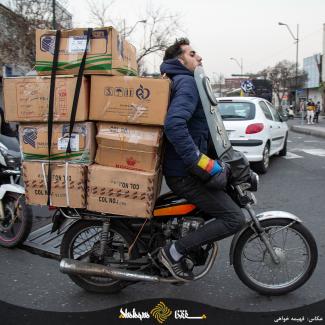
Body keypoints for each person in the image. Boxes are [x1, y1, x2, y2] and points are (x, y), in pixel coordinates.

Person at [158, 38, 245, 281]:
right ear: (180, 60)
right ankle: (173, 252)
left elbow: (202, 130)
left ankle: (184, 244)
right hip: (185, 173)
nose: (199, 58)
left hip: (184, 169)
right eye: (193, 53)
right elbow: (174, 125)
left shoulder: (187, 81)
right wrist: (199, 160)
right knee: (233, 218)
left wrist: (219, 159)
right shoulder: (187, 83)